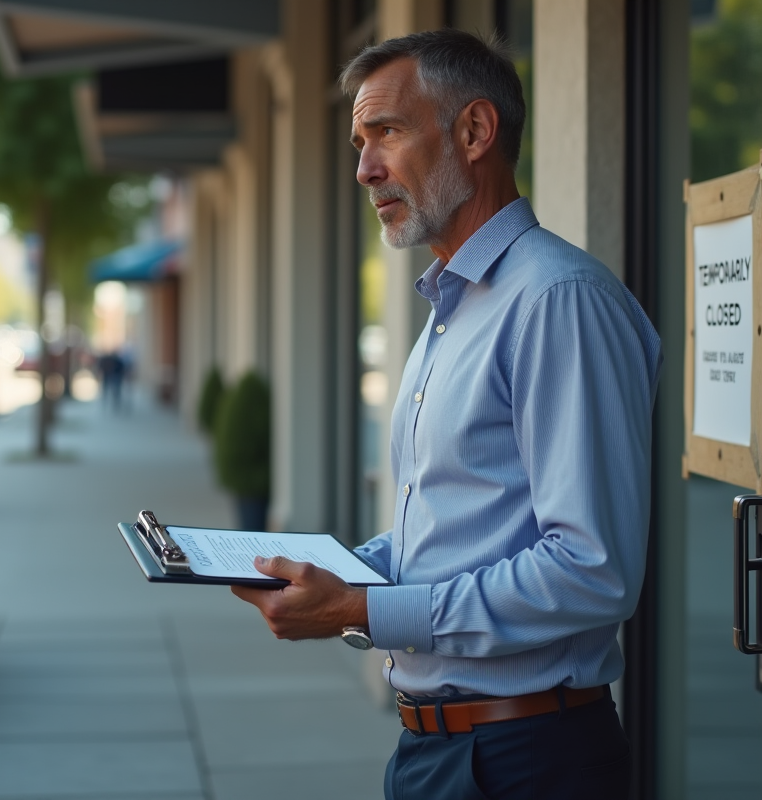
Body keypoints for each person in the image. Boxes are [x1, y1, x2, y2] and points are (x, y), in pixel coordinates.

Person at [231, 29, 662, 800]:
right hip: (441, 751)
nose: (364, 169)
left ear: (474, 131)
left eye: (386, 133)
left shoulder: (557, 301)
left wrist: (365, 608)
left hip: (528, 757)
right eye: (360, 141)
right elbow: (457, 525)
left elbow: (592, 570)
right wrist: (341, 579)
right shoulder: (453, 306)